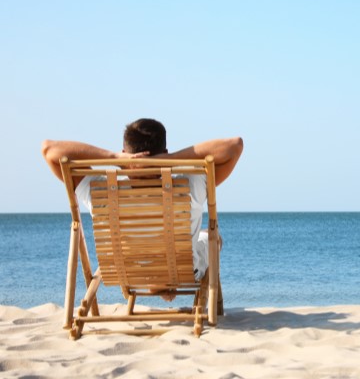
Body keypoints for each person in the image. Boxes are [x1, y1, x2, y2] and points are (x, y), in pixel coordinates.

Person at [42, 118, 244, 288]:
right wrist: (171, 159)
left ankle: (155, 282)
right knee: (212, 236)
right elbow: (234, 146)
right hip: (181, 272)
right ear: (164, 151)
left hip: (128, 274)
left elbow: (49, 150)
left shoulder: (102, 192)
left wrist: (114, 158)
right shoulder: (190, 182)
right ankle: (167, 285)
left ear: (125, 152)